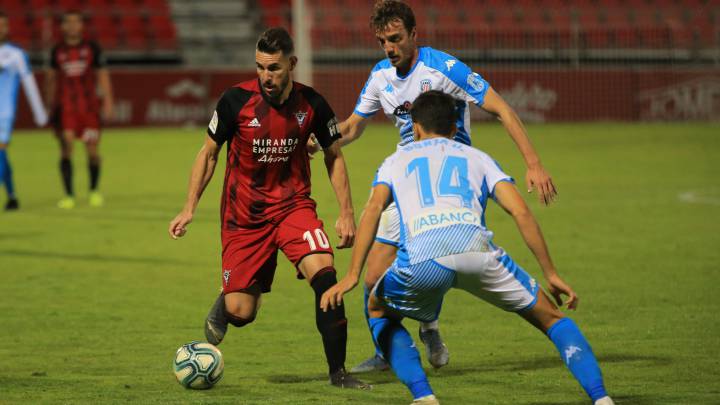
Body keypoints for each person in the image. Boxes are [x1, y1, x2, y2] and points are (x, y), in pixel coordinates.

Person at [321, 90, 613, 405]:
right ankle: (601, 398)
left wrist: (353, 274)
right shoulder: (479, 158)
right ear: (454, 128)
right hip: (477, 253)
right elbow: (520, 211)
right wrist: (550, 272)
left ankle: (424, 395)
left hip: (423, 260)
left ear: (415, 127)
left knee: (378, 311)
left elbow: (374, 210)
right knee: (553, 319)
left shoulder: (395, 162)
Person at [330, 0, 559, 372]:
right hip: (407, 181)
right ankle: (390, 350)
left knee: (432, 261)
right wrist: (324, 140)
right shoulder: (379, 77)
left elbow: (501, 108)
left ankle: (429, 324)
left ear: (413, 35)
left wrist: (533, 163)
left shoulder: (443, 68)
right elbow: (354, 126)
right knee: (373, 279)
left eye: (396, 38)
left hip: (452, 184)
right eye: (382, 41)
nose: (389, 48)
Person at [168, 27, 369, 390]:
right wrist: (188, 207)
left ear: (292, 64)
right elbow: (208, 153)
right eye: (260, 67)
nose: (266, 76)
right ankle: (227, 300)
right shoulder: (234, 101)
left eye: (274, 68)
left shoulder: (313, 104)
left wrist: (346, 212)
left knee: (325, 274)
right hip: (244, 218)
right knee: (242, 312)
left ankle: (338, 372)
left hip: (293, 208)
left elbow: (333, 155)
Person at [46, 11, 113, 209]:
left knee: (92, 151)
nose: (73, 26)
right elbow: (50, 79)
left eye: (77, 22)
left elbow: (102, 75)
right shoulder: (56, 50)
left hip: (89, 109)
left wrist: (108, 101)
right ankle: (68, 195)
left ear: (82, 26)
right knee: (66, 147)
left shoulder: (92, 48)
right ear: (63, 27)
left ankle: (93, 191)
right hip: (66, 108)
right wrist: (49, 104)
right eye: (69, 22)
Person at [0, 11, 48, 210]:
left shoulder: (16, 54)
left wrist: (39, 114)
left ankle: (12, 196)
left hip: (4, 113)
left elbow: (29, 83)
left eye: (2, 25)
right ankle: (12, 195)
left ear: (7, 28)